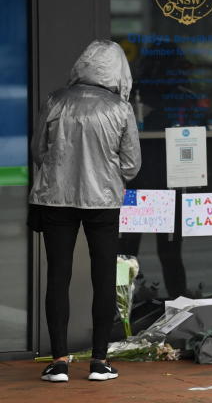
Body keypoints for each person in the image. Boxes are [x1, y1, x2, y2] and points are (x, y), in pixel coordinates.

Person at [29, 40, 142, 382]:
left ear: (82, 65)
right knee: (104, 277)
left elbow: (38, 151)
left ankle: (59, 360)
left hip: (55, 198)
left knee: (58, 277)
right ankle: (99, 361)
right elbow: (132, 164)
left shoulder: (55, 100)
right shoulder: (120, 109)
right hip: (102, 202)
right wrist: (108, 174)